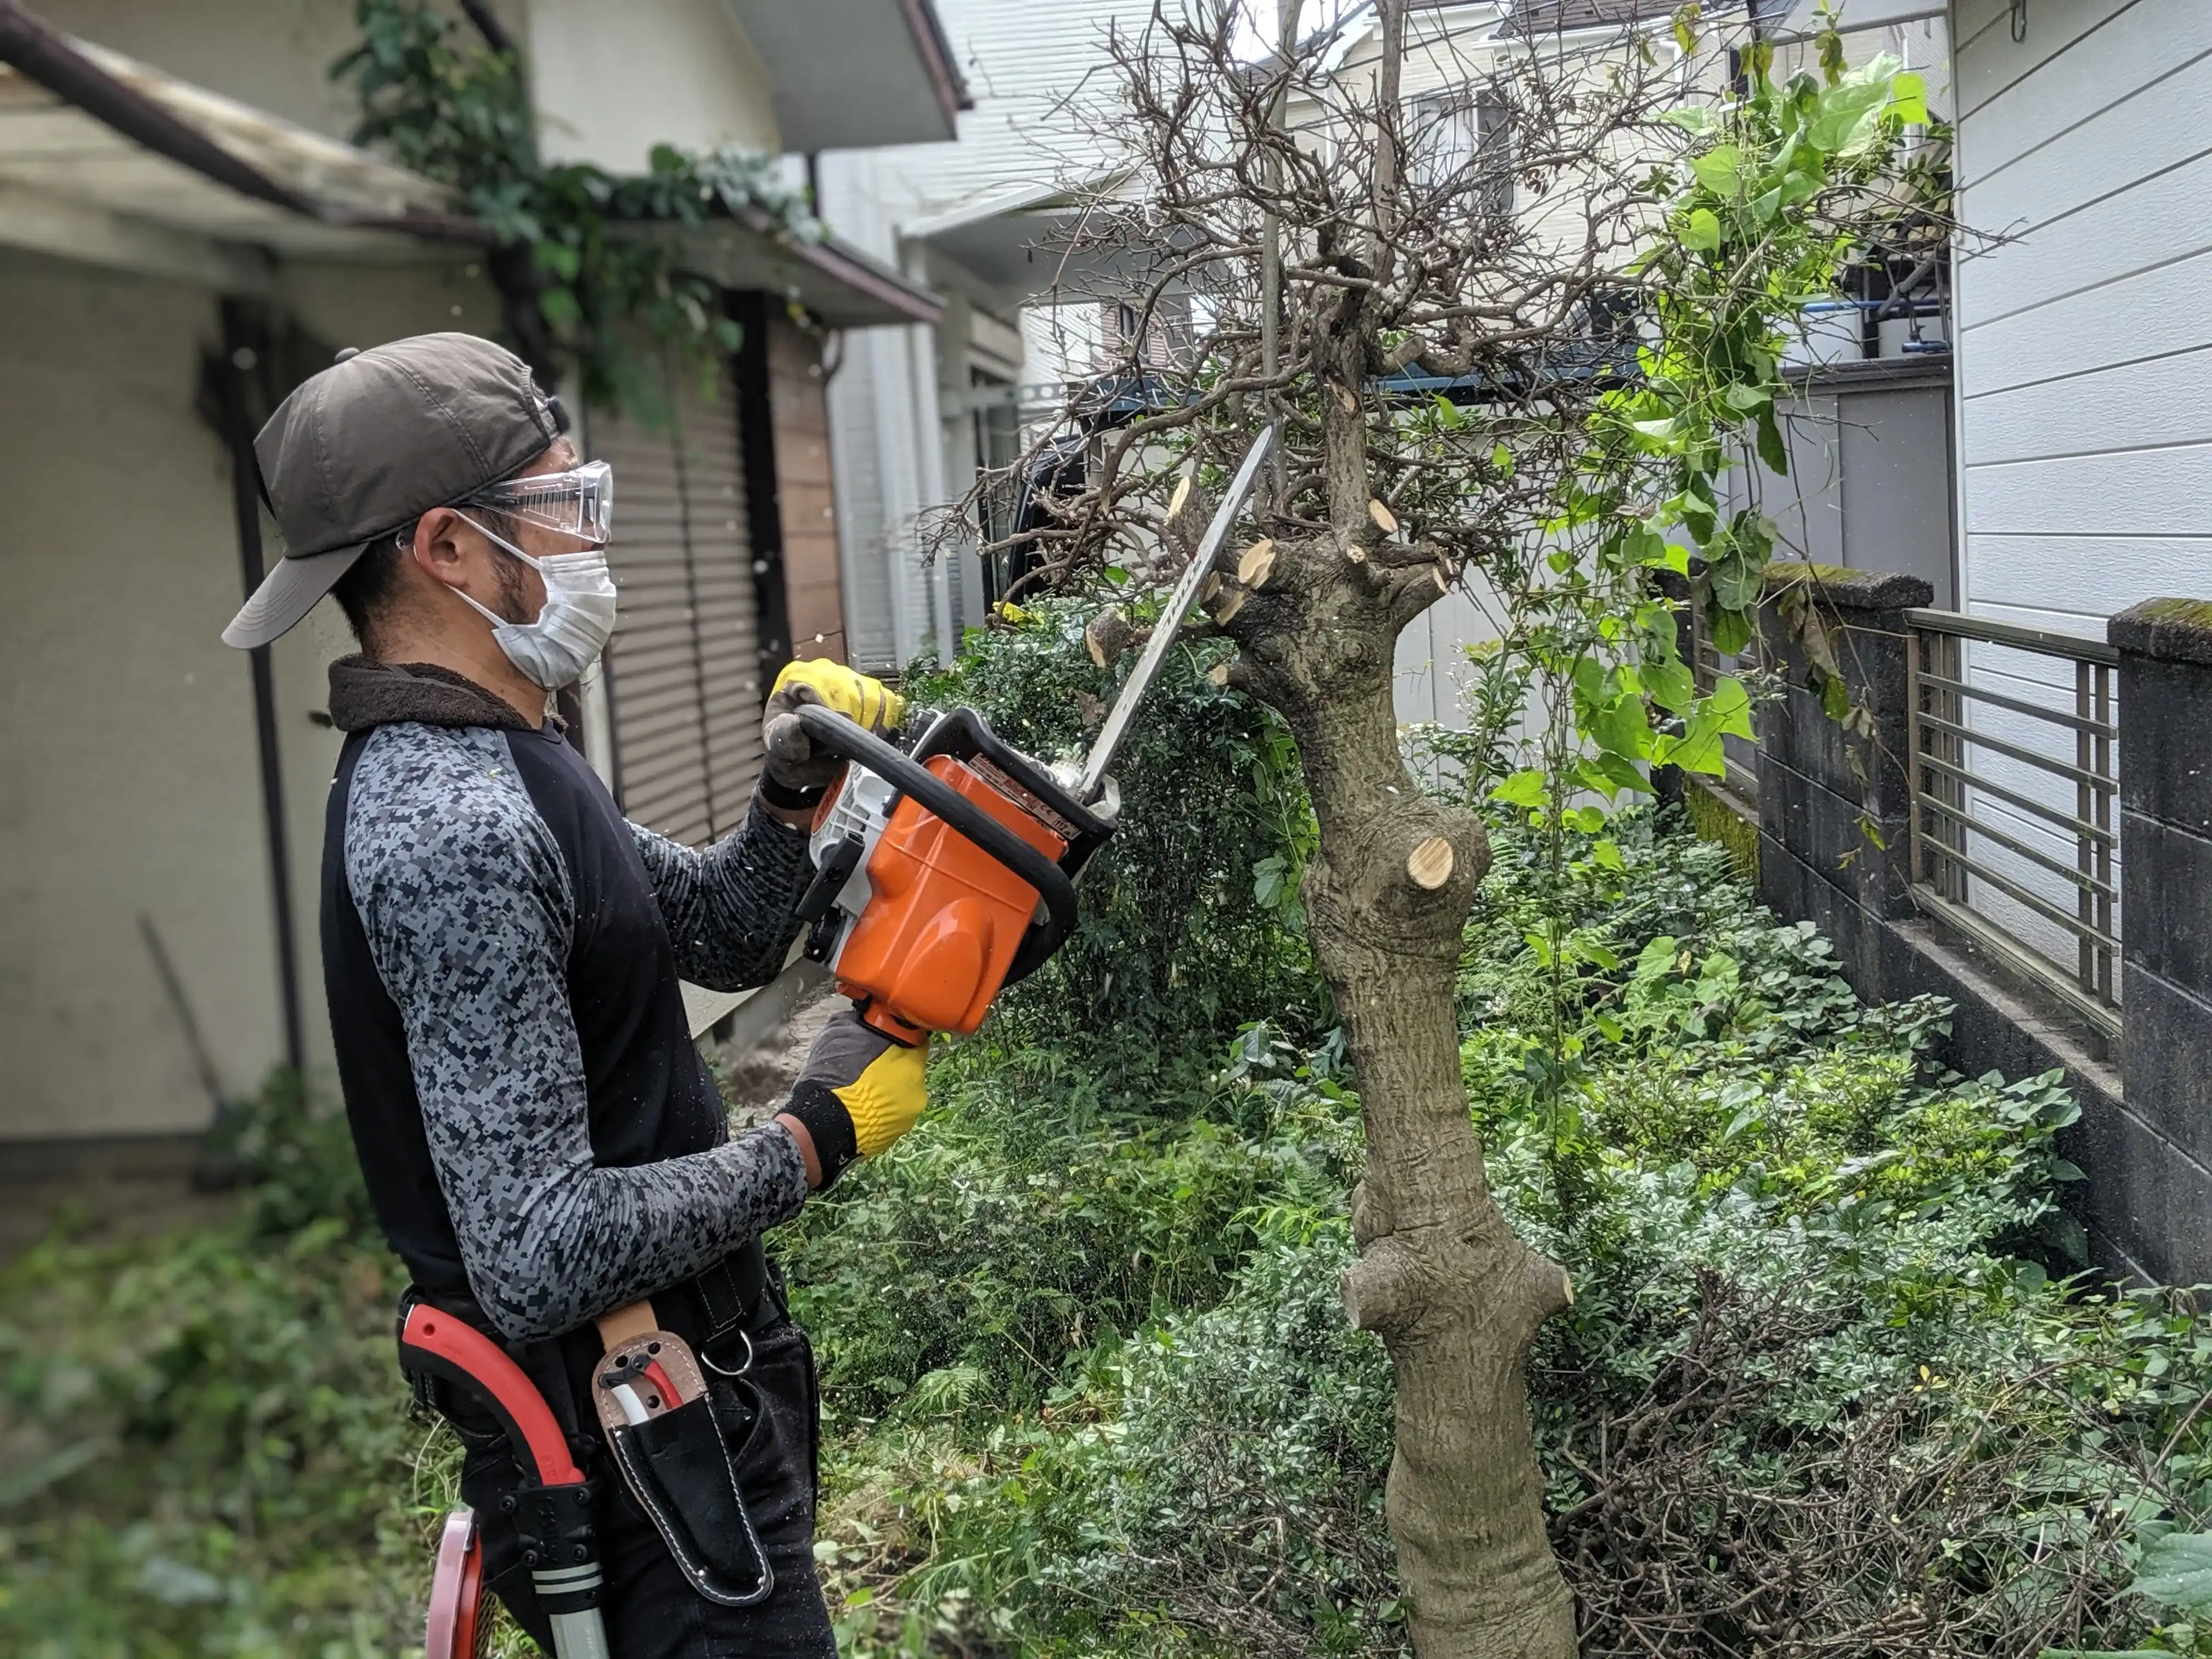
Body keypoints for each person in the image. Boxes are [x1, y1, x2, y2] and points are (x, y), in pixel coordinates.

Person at [222, 334, 921, 1656]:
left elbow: (718, 934)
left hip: (684, 1402)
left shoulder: (510, 753)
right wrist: (810, 1143)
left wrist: (787, 795)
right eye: (565, 507)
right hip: (635, 1458)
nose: (595, 542)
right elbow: (538, 1251)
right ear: (448, 549)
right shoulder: (453, 822)